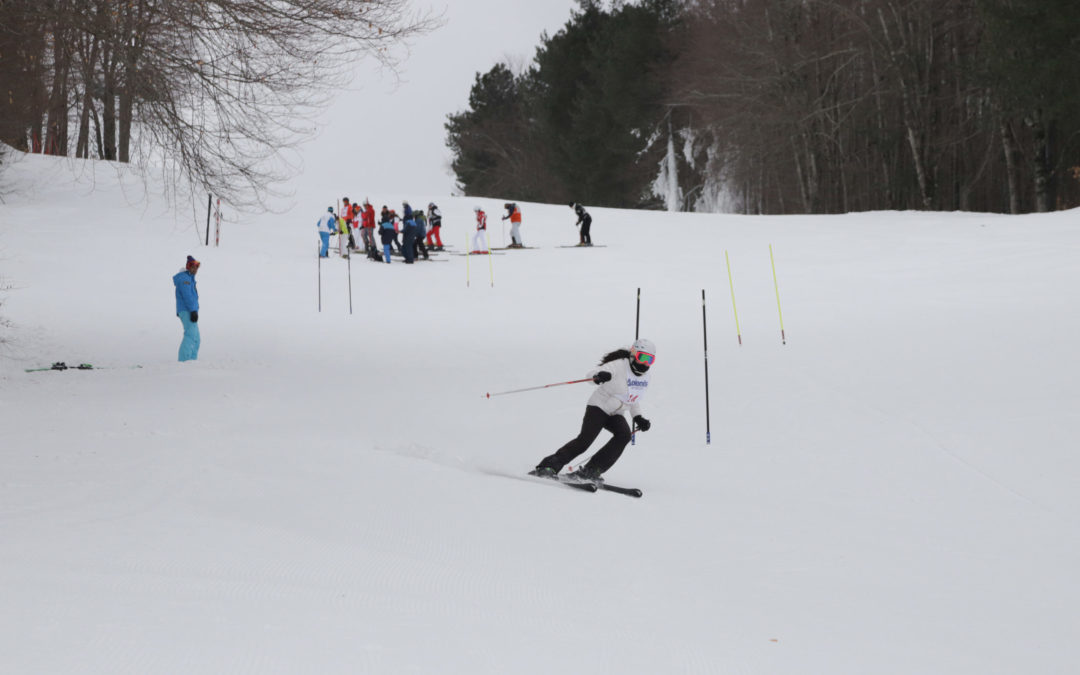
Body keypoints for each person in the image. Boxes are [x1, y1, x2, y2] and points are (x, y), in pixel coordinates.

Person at [530, 338, 655, 482]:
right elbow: (591, 376)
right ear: (633, 354)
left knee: (624, 435)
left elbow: (633, 398)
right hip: (599, 407)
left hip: (616, 413)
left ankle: (591, 471)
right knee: (585, 441)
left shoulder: (645, 377)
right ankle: (548, 466)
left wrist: (638, 417)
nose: (645, 363)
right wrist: (598, 377)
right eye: (642, 357)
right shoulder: (619, 365)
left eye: (650, 360)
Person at [173, 256, 201, 362]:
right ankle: (184, 361)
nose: (196, 270)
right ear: (188, 267)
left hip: (191, 310)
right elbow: (187, 296)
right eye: (193, 267)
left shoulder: (189, 279)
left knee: (196, 338)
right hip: (187, 310)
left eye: (197, 268)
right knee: (190, 335)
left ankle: (192, 362)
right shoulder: (184, 279)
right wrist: (193, 310)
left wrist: (195, 310)